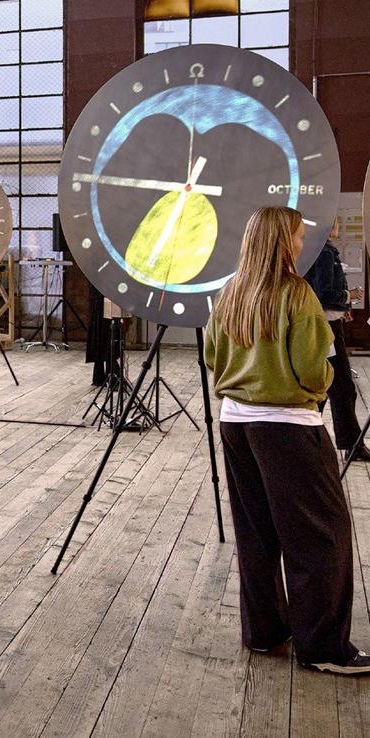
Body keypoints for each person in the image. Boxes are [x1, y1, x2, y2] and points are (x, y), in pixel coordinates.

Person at [205, 206, 370, 675]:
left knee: (256, 532)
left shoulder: (230, 291)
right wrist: (320, 388)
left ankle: (265, 632)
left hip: (235, 423)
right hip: (289, 426)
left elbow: (212, 356)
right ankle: (324, 648)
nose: (301, 244)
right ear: (282, 241)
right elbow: (314, 369)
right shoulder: (297, 294)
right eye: (297, 236)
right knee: (322, 534)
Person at [303, 215, 370, 461]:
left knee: (328, 385)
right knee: (341, 387)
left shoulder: (316, 251)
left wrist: (344, 307)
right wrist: (348, 295)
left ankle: (312, 442)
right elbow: (324, 293)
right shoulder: (325, 253)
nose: (338, 228)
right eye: (336, 223)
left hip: (324, 323)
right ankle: (350, 445)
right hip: (327, 326)